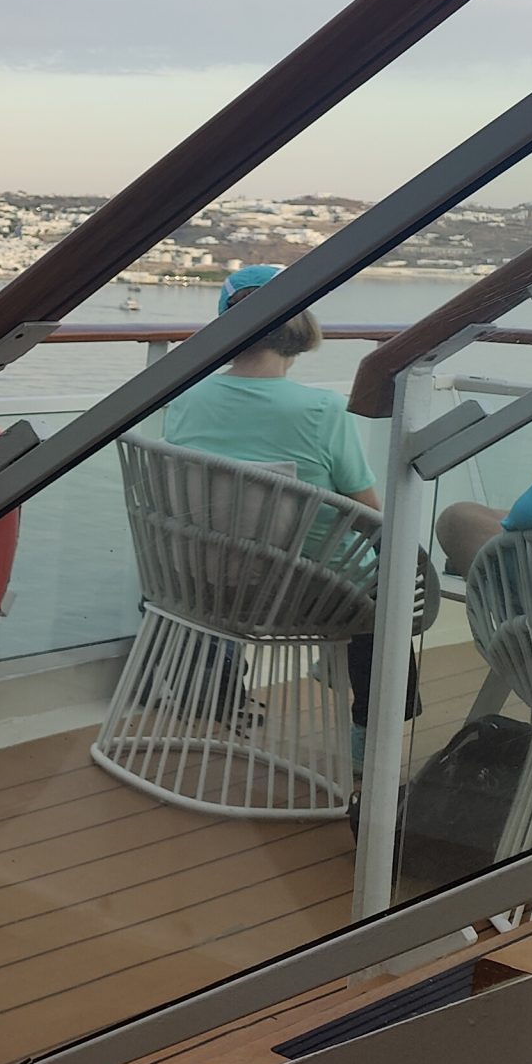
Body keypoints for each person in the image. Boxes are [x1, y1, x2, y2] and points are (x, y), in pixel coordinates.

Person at [164, 265, 410, 757]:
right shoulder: (321, 410)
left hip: (201, 587)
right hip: (306, 597)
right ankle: (369, 734)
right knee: (393, 579)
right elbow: (369, 515)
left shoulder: (184, 398)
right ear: (299, 325)